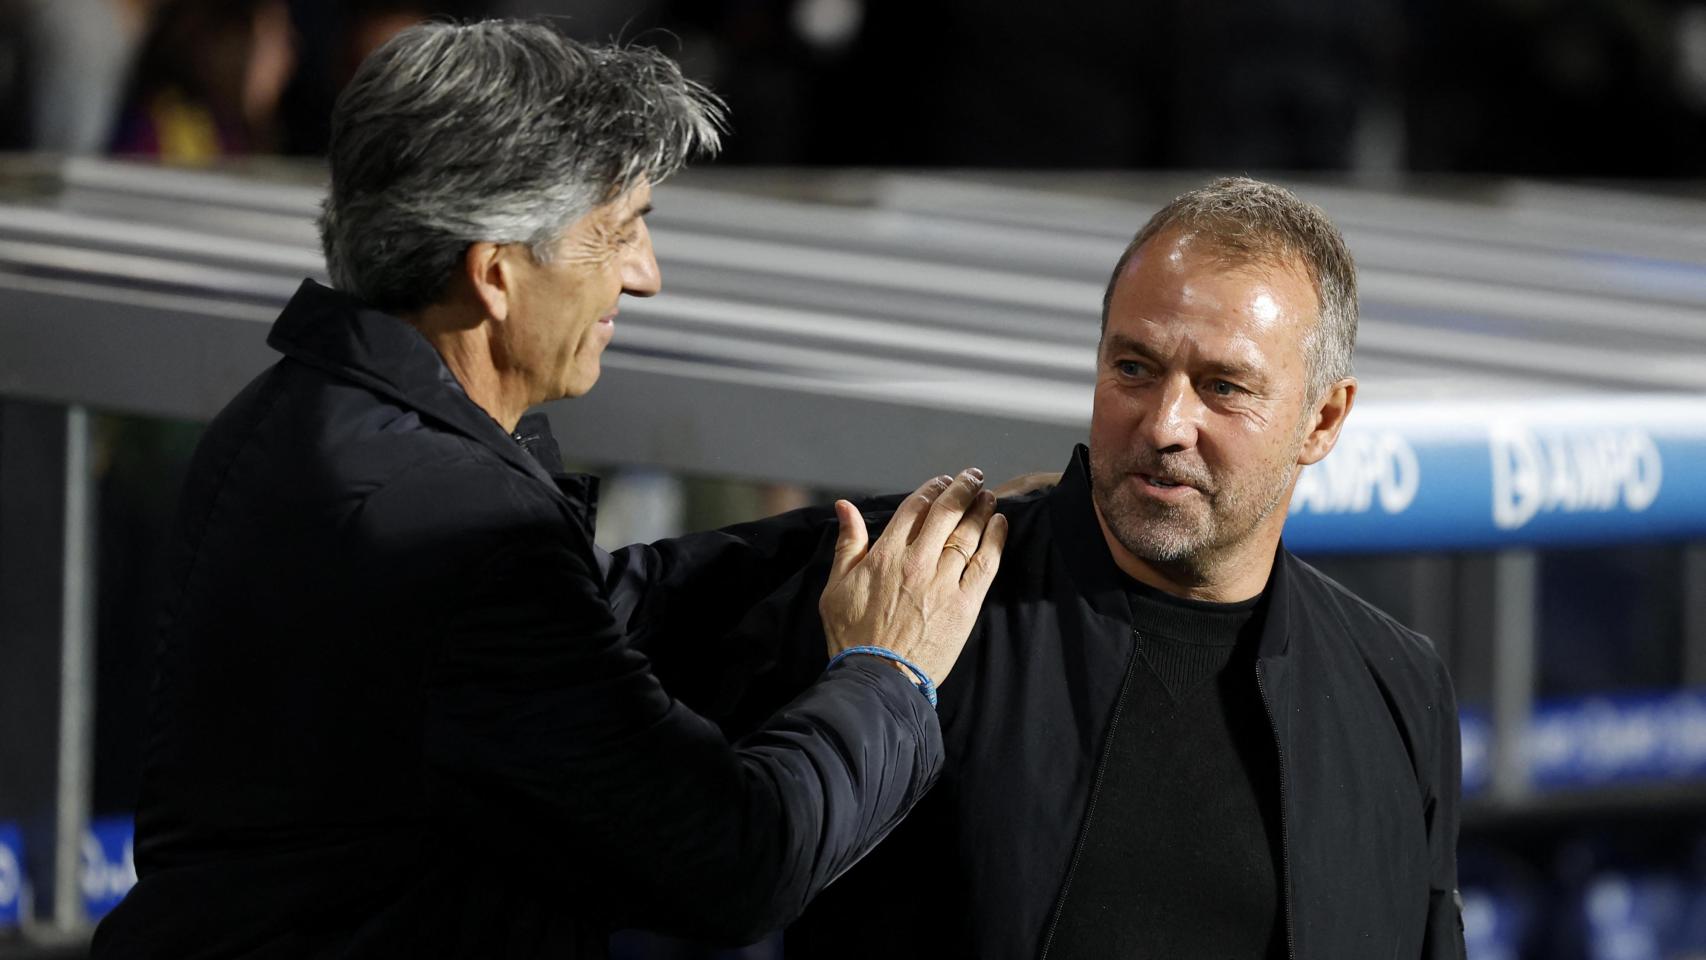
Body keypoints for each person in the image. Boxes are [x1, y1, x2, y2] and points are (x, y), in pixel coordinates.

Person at [92, 21, 1008, 958]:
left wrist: (892, 537)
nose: (644, 276)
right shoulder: (452, 525)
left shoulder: (298, 415)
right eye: (616, 234)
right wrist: (890, 673)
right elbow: (740, 860)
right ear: (494, 274)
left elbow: (590, 624)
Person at [718, 177, 1466, 959]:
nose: (1167, 424)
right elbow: (598, 667)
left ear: (1324, 419)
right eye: (1135, 369)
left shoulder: (1398, 687)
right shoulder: (906, 584)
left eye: (1223, 386)